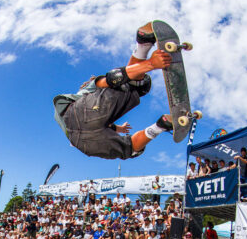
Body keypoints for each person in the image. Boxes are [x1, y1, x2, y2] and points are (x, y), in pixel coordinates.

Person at [53, 23, 173, 160]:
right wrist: (150, 64)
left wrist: (119, 129)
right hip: (79, 118)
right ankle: (143, 44)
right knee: (126, 83)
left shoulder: (90, 96)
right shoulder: (87, 91)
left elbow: (94, 118)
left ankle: (161, 125)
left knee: (129, 149)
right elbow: (113, 79)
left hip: (82, 142)